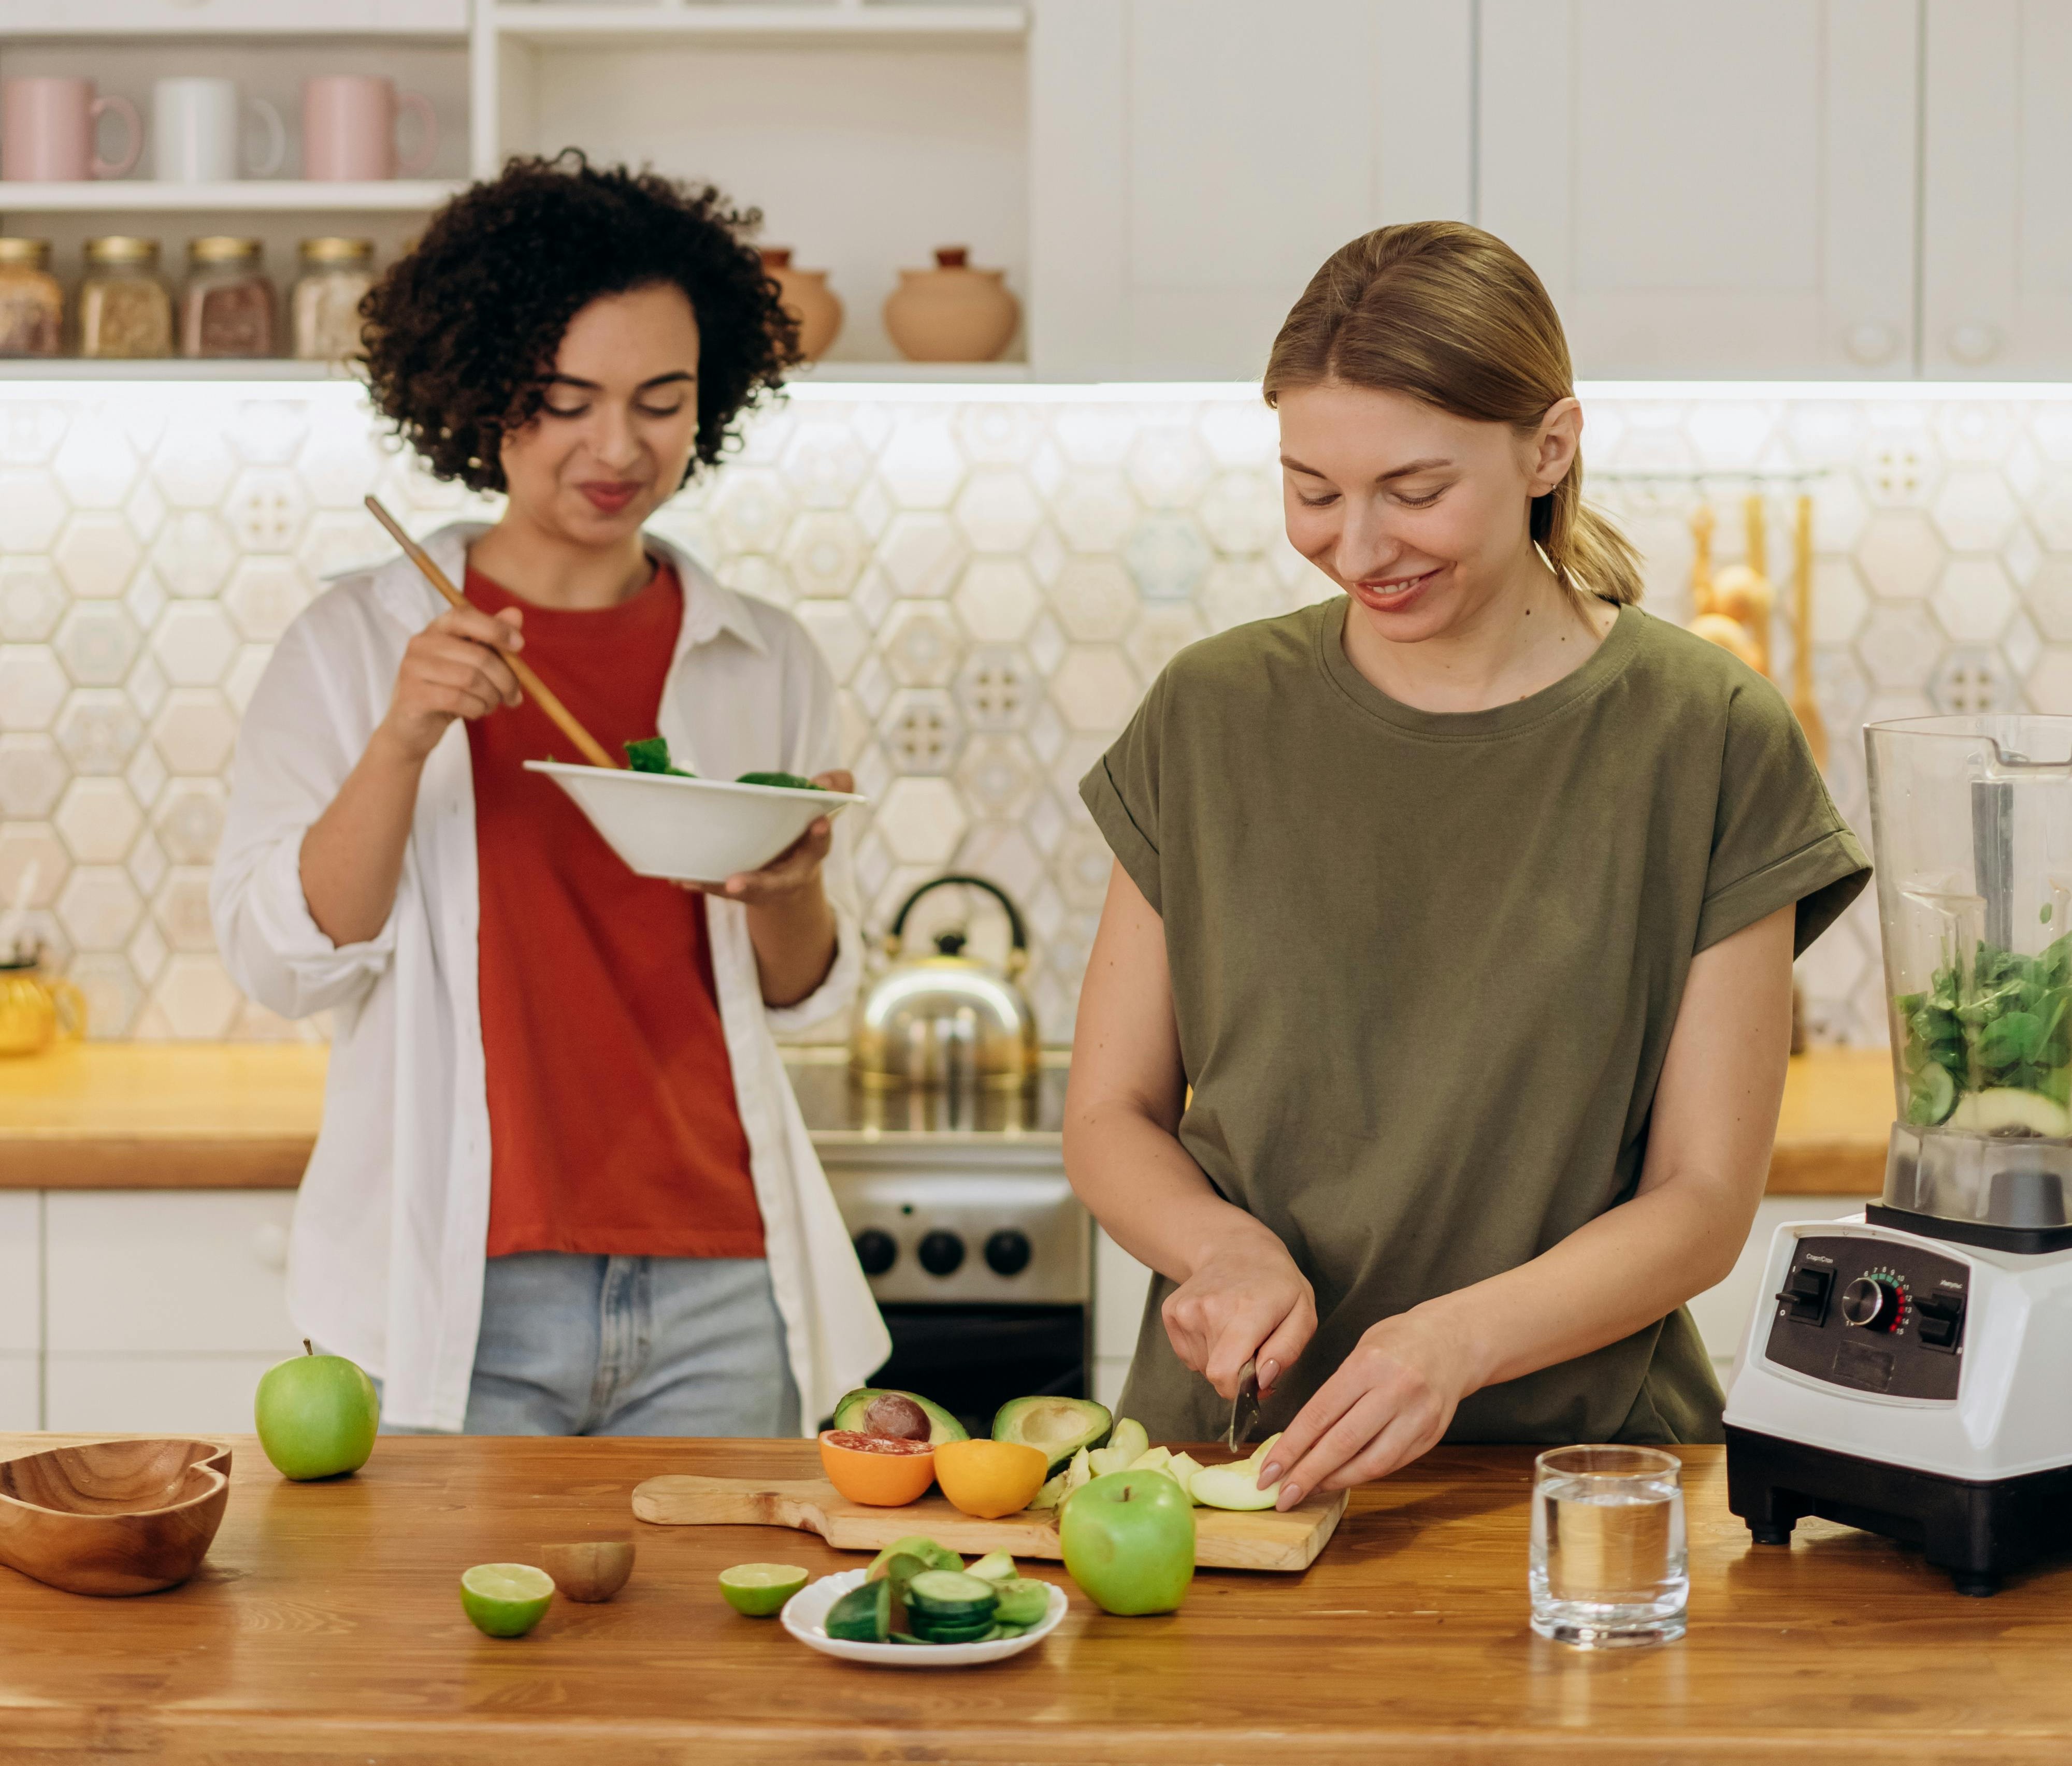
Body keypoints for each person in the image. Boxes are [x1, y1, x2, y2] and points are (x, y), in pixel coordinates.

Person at [1065, 222, 1868, 1510]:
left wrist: (1448, 1342)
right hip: (1227, 1466)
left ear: (1547, 447)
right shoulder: (1209, 715)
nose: (1357, 545)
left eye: (1413, 490)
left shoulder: (1705, 734)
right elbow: (1109, 1114)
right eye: (1312, 490)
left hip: (1578, 1483)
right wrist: (1219, 1248)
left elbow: (1704, 1200)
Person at [212, 154, 888, 1436]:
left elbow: (794, 992)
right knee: (460, 1640)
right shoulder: (356, 643)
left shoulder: (763, 655)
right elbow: (286, 959)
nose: (617, 448)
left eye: (660, 401)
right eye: (563, 400)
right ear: (480, 395)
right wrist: (404, 737)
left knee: (708, 1642)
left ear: (713, 401)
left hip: (724, 1277)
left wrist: (788, 882)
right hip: (460, 1276)